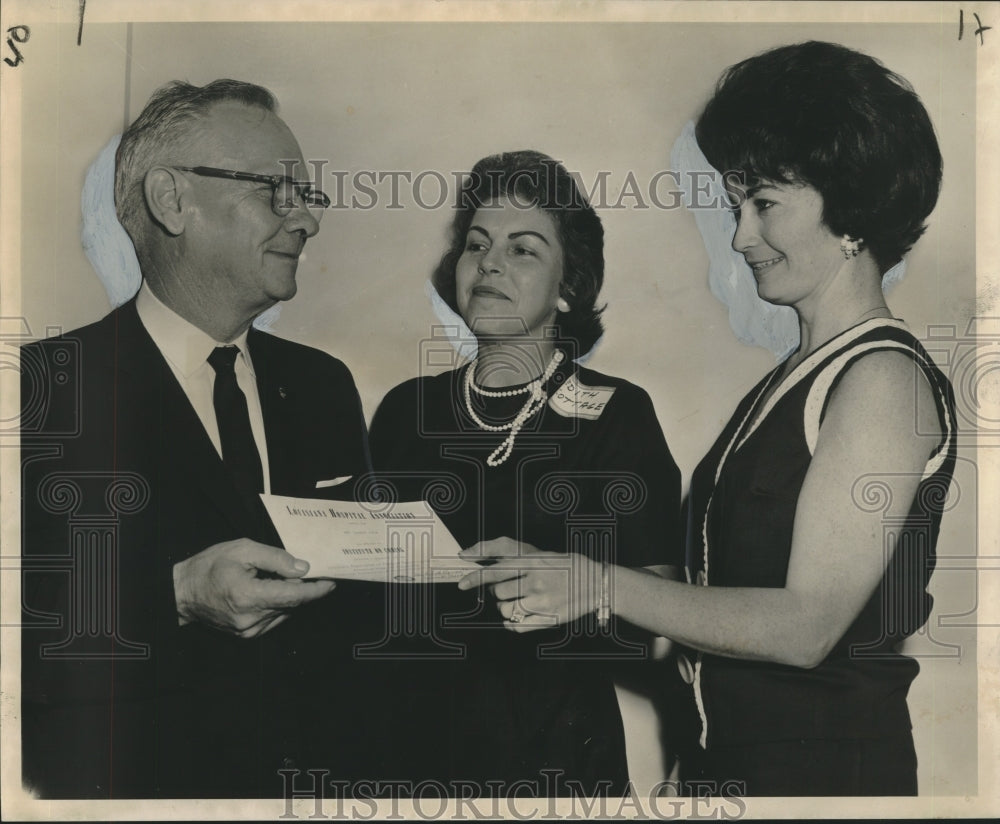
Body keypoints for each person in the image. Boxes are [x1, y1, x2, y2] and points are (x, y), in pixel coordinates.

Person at [462, 42, 957, 796]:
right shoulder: (796, 379)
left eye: (763, 205)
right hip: (734, 773)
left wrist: (597, 584)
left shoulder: (881, 378)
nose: (739, 237)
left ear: (849, 204)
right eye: (737, 208)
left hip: (828, 785)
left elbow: (806, 628)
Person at [20, 80, 375, 798]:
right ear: (171, 201)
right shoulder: (40, 391)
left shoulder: (324, 386)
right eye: (277, 190)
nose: (306, 219)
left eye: (306, 194)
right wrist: (175, 596)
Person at [366, 150, 682, 796]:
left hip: (551, 765)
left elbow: (657, 628)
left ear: (569, 289)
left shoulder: (616, 416)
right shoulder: (406, 411)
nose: (489, 263)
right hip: (398, 755)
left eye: (523, 250)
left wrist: (560, 588)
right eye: (477, 244)